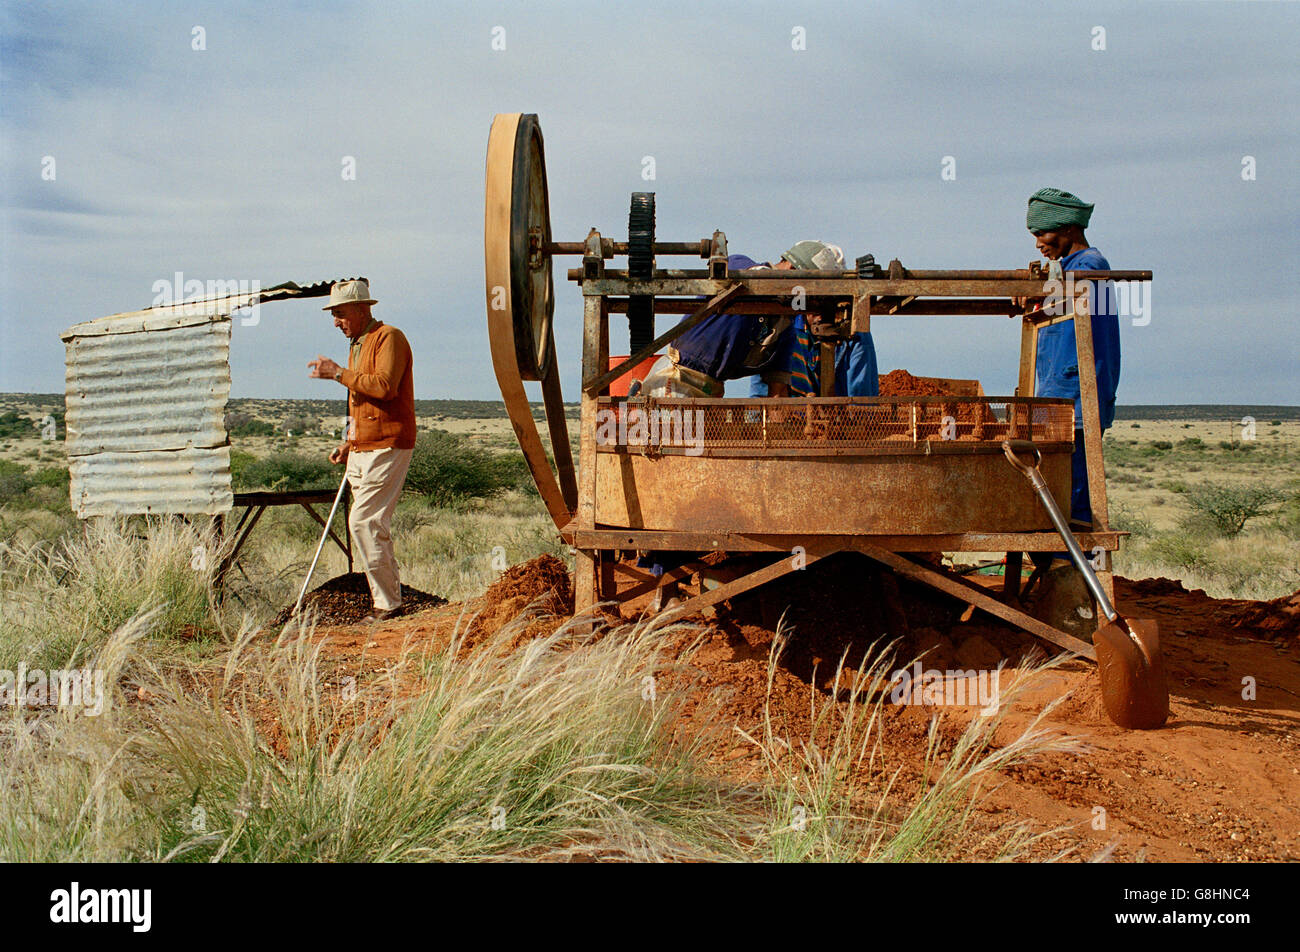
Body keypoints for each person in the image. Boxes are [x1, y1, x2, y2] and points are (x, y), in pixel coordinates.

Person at [307, 279, 416, 623]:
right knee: (368, 524)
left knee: (364, 522)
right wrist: (348, 441)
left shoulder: (389, 338)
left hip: (387, 444)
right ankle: (385, 599)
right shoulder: (358, 343)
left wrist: (338, 372)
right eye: (334, 315)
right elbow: (358, 402)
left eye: (340, 313)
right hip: (362, 446)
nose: (336, 321)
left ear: (361, 308)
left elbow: (384, 387)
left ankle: (388, 606)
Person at [1022, 188, 1121, 530]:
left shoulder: (1089, 268)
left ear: (1068, 230)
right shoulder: (1066, 270)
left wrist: (1041, 293)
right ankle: (1061, 571)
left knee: (1071, 502)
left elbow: (1070, 302)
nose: (1038, 243)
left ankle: (1072, 576)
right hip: (1060, 402)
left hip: (1077, 403)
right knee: (1055, 499)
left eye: (1042, 234)